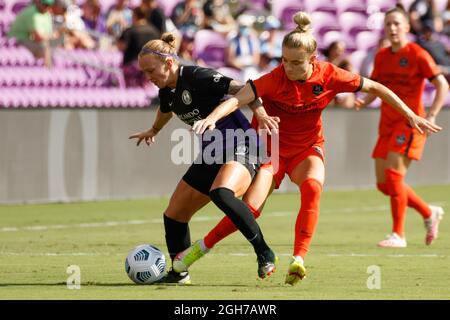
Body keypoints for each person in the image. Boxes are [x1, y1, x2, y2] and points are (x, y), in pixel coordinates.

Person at [172, 10, 442, 286]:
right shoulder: (275, 78)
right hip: (271, 152)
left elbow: (376, 87)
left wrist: (410, 114)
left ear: (312, 60)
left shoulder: (330, 75)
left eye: (296, 63)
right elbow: (237, 99)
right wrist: (212, 118)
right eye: (285, 61)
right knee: (250, 210)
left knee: (312, 188)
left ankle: (298, 259)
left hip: (307, 148)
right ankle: (199, 249)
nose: (288, 68)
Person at [128, 32, 278, 284]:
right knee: (174, 214)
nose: (149, 77)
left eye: (151, 70)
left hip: (243, 146)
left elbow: (245, 88)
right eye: (145, 73)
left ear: (168, 63)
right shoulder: (166, 89)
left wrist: (260, 113)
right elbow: (167, 109)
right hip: (212, 153)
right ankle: (179, 273)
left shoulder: (199, 76)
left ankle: (264, 251)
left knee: (221, 193)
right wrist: (154, 130)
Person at [355, 5, 449, 248]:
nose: (393, 28)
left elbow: (442, 85)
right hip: (386, 123)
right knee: (383, 184)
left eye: (397, 23)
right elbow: (376, 86)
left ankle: (398, 235)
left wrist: (433, 114)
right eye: (388, 24)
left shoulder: (418, 54)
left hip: (410, 123)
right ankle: (429, 212)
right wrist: (363, 101)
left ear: (407, 27)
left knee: (394, 176)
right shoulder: (382, 55)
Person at [118, 6, 160, 87]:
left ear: (135, 16)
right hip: (149, 68)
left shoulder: (130, 30)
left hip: (131, 68)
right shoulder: (155, 31)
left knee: (132, 94)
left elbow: (121, 46)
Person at [7, 0, 55, 67]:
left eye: (49, 5)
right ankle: (47, 70)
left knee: (53, 49)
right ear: (39, 3)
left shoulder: (47, 15)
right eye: (45, 4)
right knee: (45, 49)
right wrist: (52, 36)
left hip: (32, 40)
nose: (46, 7)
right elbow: (38, 37)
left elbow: (47, 35)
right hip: (17, 40)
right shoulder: (31, 13)